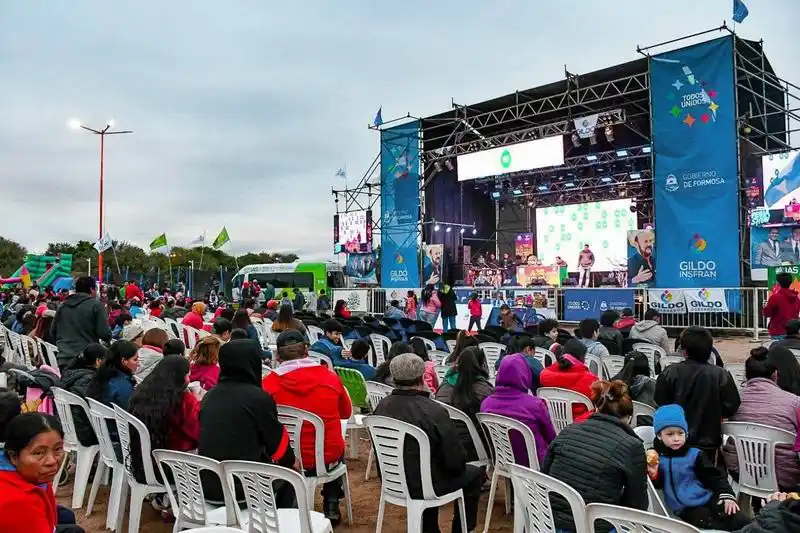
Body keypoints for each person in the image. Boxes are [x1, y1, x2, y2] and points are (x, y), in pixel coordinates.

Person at [373, 353, 486, 533]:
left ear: (394, 377)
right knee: (473, 474)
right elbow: (455, 461)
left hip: (393, 481)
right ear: (421, 377)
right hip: (426, 485)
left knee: (427, 465)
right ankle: (462, 529)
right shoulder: (433, 410)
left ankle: (430, 528)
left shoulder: (381, 406)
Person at [262, 330, 352, 523]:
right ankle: (332, 502)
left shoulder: (268, 384)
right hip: (326, 457)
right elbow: (345, 413)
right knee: (335, 442)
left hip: (285, 458)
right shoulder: (330, 377)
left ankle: (288, 500)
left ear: (278, 355)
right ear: (306, 351)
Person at [199, 339, 296, 505]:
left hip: (208, 486)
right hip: (246, 489)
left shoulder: (209, 396)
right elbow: (278, 449)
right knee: (291, 477)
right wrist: (291, 462)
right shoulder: (258, 398)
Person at [542, 380, 647, 533]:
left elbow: (545, 474)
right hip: (595, 526)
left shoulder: (569, 430)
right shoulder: (632, 446)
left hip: (548, 520)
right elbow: (637, 506)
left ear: (596, 409)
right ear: (630, 419)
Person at [648, 404, 749, 531]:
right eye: (670, 434)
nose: (676, 438)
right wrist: (654, 474)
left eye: (680, 433)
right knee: (713, 525)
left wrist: (727, 494)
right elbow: (659, 484)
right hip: (685, 508)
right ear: (659, 436)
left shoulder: (694, 454)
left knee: (737, 517)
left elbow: (714, 476)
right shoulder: (659, 458)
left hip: (707, 498)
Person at [654, 326, 740, 460]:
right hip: (708, 442)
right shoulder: (720, 375)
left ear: (684, 352)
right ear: (709, 351)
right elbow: (731, 406)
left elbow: (660, 401)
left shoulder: (670, 372)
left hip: (675, 441)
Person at [722, 347, 800, 491]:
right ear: (775, 374)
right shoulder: (794, 402)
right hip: (785, 477)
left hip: (740, 472)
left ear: (745, 375)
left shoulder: (733, 400)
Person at [0, 413, 86, 533]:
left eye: (57, 449)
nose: (51, 461)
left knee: (66, 516)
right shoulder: (18, 502)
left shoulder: (31, 476)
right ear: (14, 457)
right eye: (39, 453)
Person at [128, 355, 200, 489]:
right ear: (180, 377)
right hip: (175, 466)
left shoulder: (142, 393)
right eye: (187, 375)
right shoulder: (183, 401)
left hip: (142, 463)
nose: (188, 380)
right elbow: (198, 433)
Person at [480, 354, 556, 467]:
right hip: (535, 464)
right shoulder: (535, 405)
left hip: (503, 461)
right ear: (525, 374)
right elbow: (552, 439)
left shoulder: (486, 404)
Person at [435, 347, 494, 459]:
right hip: (477, 449)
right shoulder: (484, 390)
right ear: (482, 365)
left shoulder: (442, 388)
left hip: (446, 446)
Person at [50, 276, 112, 368]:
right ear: (92, 289)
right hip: (87, 360)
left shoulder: (62, 306)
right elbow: (104, 333)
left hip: (63, 359)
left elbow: (52, 332)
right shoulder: (96, 305)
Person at [58, 343, 106, 447]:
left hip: (70, 427)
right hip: (86, 433)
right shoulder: (89, 380)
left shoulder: (70, 373)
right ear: (98, 361)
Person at [539, 339, 599, 420]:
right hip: (580, 425)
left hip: (551, 423)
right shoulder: (591, 380)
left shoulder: (544, 375)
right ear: (582, 358)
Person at [86, 340, 139, 410]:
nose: (138, 363)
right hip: (117, 419)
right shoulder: (123, 385)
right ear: (124, 361)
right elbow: (130, 411)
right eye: (135, 359)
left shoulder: (101, 374)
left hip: (99, 417)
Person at [764, 272, 800, 340]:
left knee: (777, 350)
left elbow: (766, 313)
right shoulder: (796, 298)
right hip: (793, 332)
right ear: (791, 282)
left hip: (778, 331)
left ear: (778, 283)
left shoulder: (775, 297)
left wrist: (765, 307)